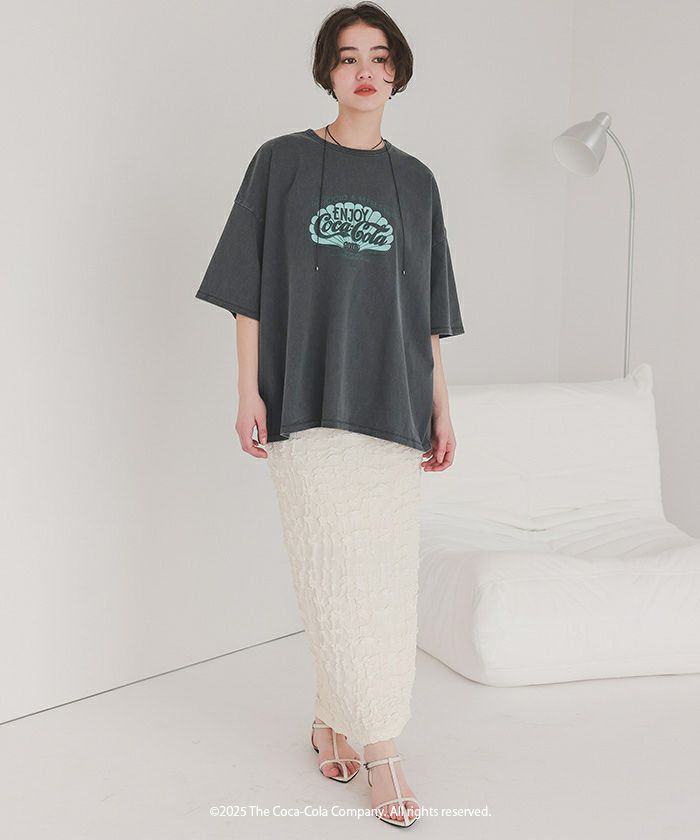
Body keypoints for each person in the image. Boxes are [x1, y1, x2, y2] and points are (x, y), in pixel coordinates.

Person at [195, 2, 465, 828]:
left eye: (379, 57)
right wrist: (248, 390)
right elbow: (247, 288)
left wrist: (442, 406)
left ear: (398, 71)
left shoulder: (417, 181)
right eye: (348, 57)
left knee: (376, 578)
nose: (365, 71)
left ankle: (331, 718)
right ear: (327, 71)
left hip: (394, 402)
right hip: (304, 399)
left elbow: (428, 310)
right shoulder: (280, 161)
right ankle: (383, 749)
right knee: (333, 570)